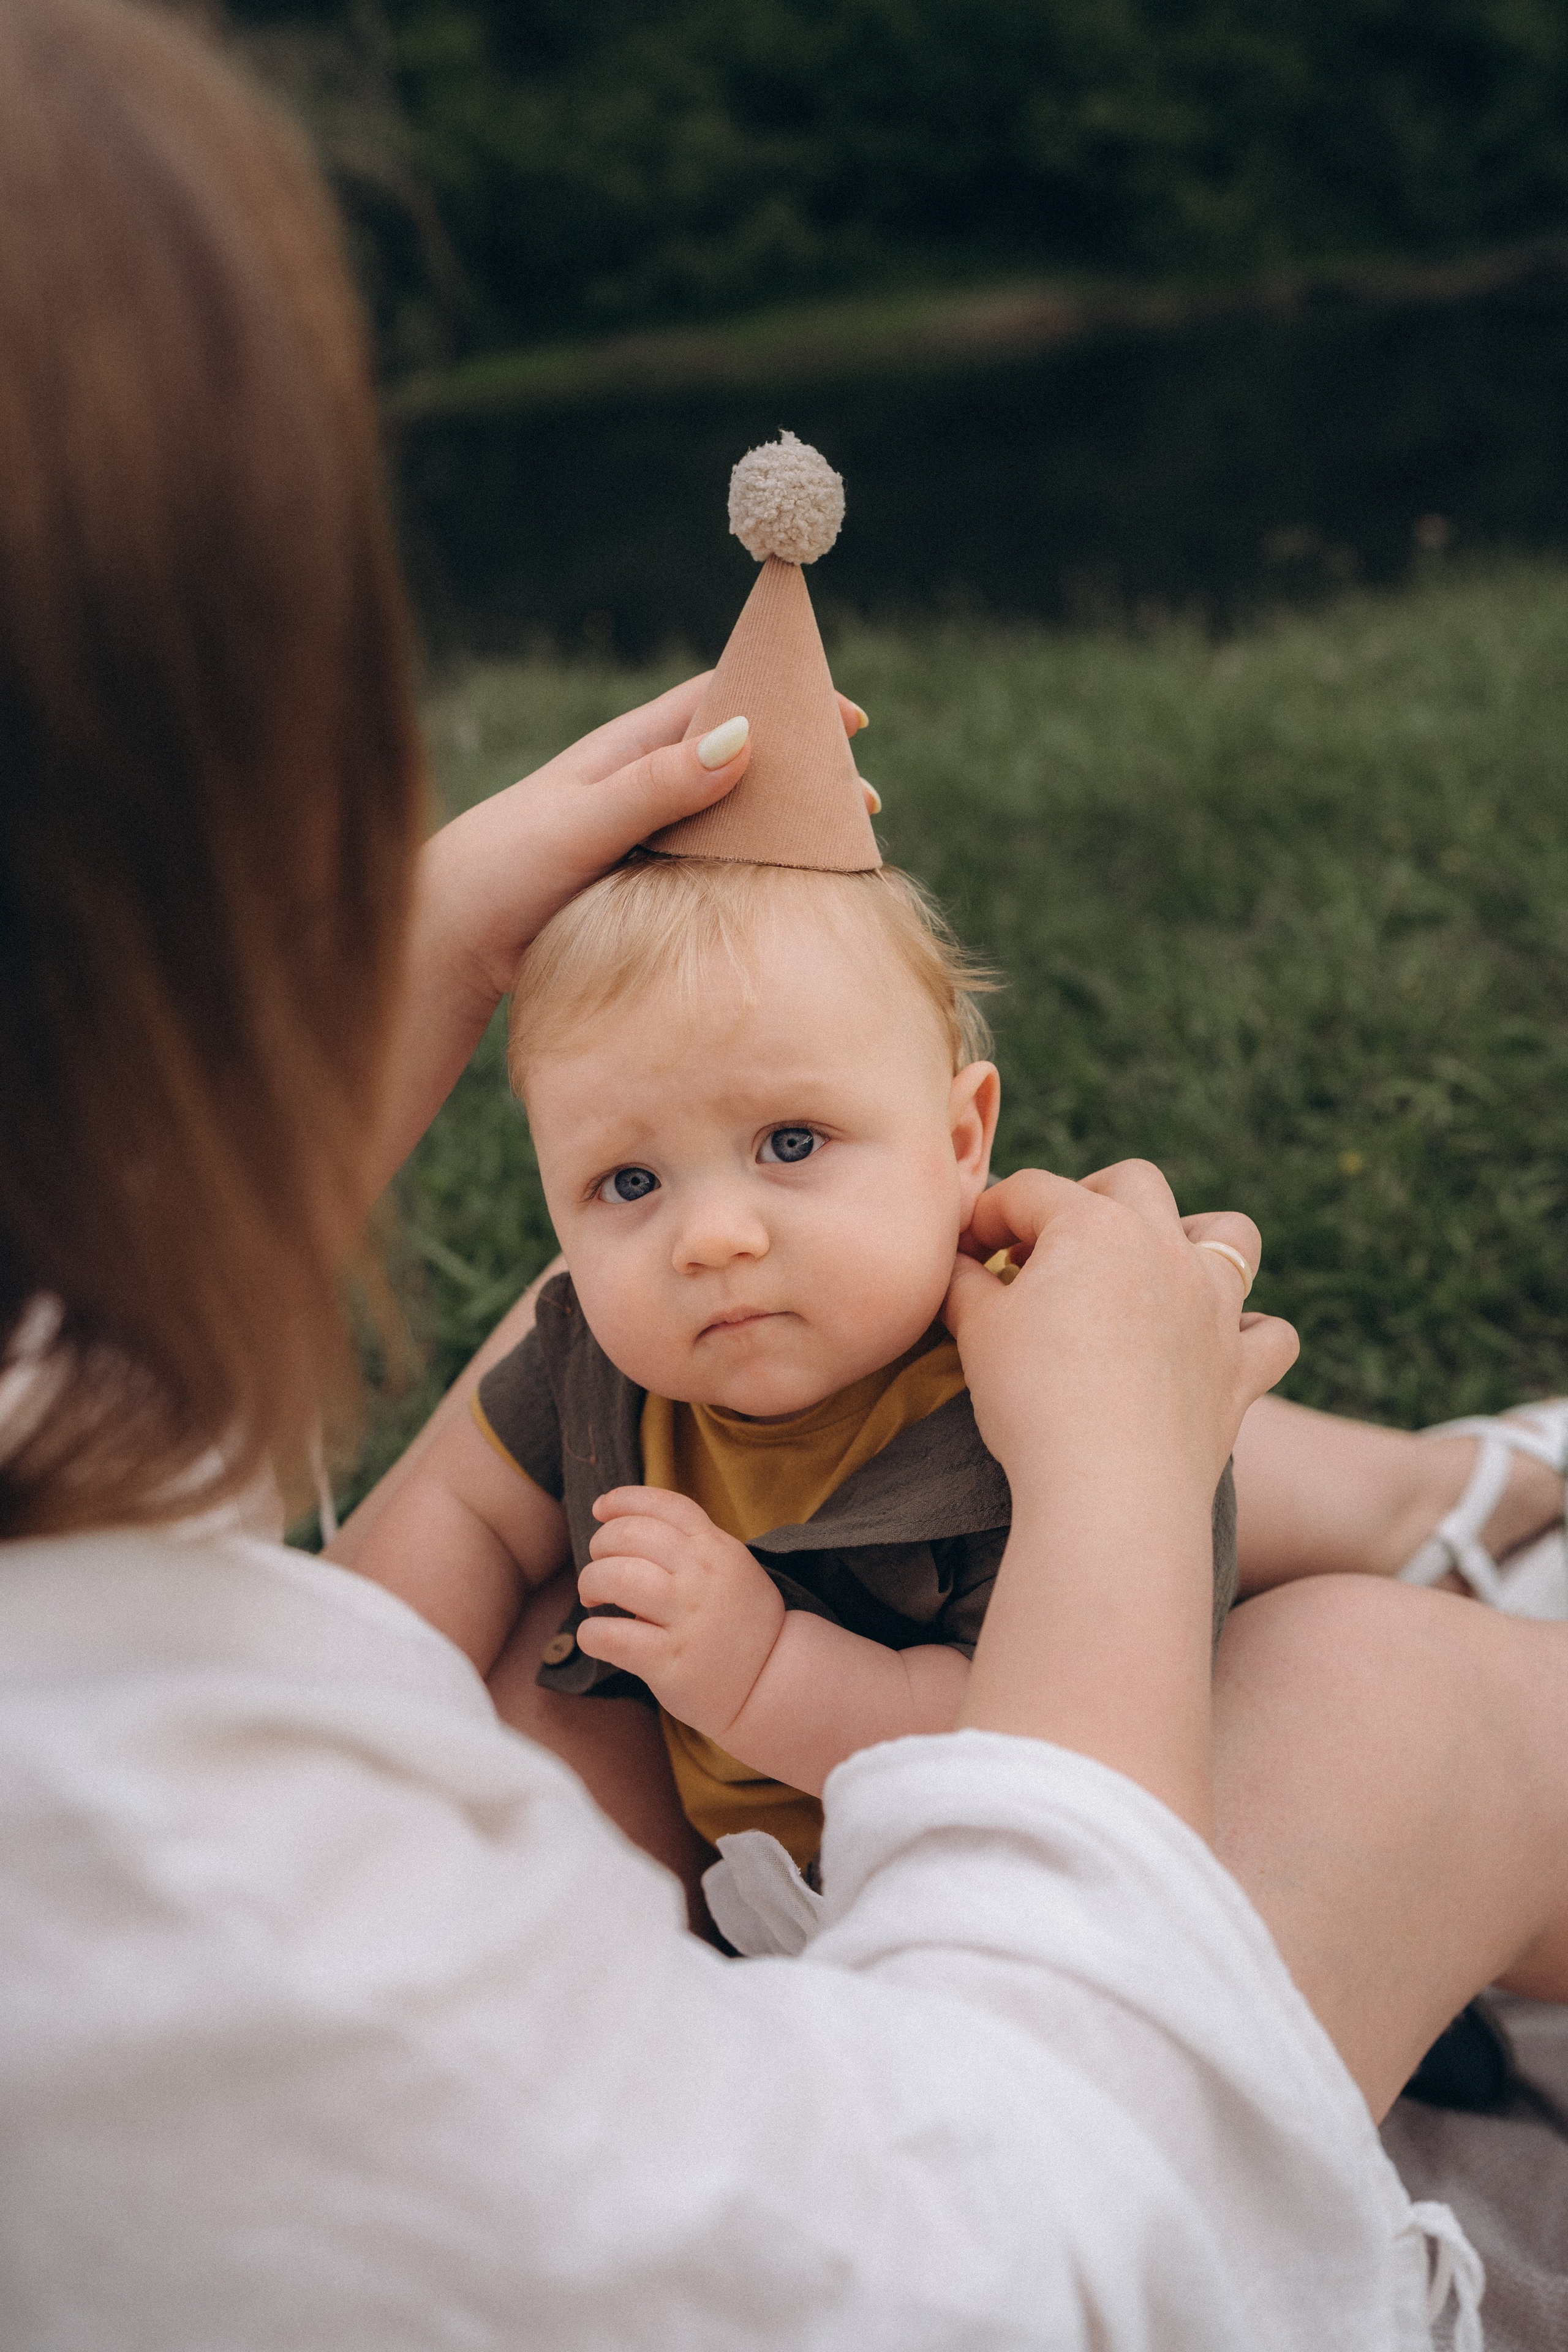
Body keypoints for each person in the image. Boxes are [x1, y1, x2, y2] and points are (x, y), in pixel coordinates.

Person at [6, 4, 1568, 2346]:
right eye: (618, 1186)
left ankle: (1487, 1498)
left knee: (1365, 1590)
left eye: (793, 1146)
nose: (709, 1232)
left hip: (835, 1827)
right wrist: (1110, 1505)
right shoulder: (171, 1899)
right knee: (1372, 1688)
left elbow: (293, 1592)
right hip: (893, 2002)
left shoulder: (966, 1341)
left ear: (963, 1143)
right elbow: (1022, 2255)